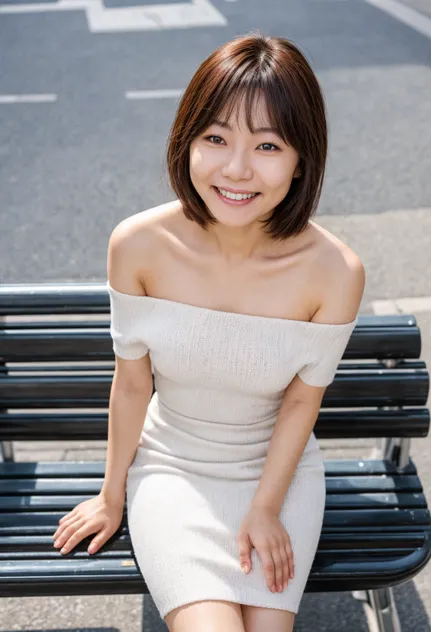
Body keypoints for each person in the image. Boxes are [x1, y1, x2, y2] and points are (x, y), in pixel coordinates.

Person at [52, 31, 365, 632]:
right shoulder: (139, 245)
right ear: (186, 142)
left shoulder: (333, 270)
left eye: (268, 144)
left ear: (303, 158)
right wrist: (111, 493)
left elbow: (304, 399)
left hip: (279, 474)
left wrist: (267, 508)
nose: (237, 169)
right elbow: (132, 385)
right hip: (173, 468)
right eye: (216, 138)